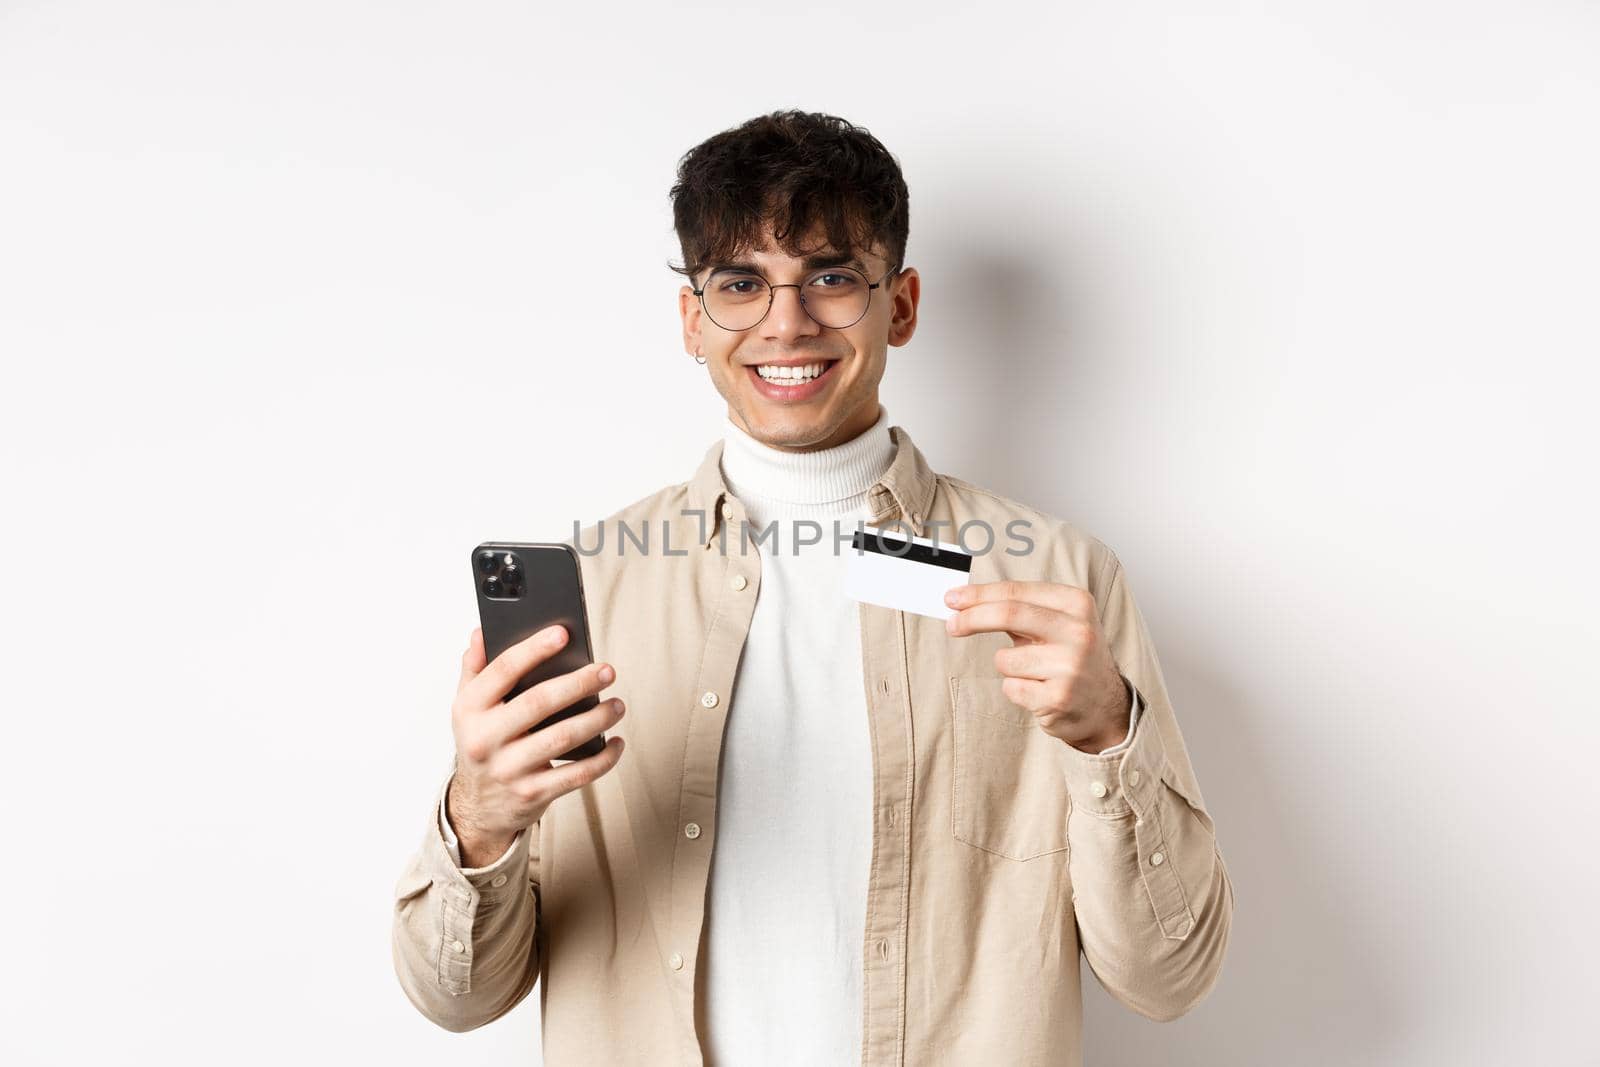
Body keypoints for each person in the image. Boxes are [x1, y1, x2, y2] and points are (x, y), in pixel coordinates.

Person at [391, 109, 1234, 1067]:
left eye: (831, 278)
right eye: (740, 284)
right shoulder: (591, 589)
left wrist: (1108, 735)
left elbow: (1171, 977)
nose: (785, 322)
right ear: (692, 320)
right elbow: (455, 1000)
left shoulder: (1056, 582)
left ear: (901, 305)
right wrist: (482, 816)